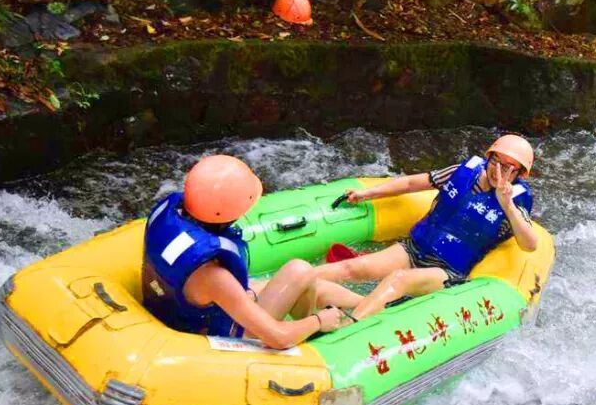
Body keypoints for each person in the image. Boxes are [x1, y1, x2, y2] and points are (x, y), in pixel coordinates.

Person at [142, 155, 360, 349]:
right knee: (300, 271)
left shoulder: (172, 217)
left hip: (178, 314)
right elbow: (279, 338)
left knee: (302, 276)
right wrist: (319, 321)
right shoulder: (212, 275)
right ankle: (319, 337)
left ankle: (355, 303)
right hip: (219, 340)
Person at [314, 134, 539, 319]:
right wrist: (366, 194)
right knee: (353, 268)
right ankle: (302, 280)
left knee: (398, 280)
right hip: (414, 248)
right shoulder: (464, 171)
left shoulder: (516, 200)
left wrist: (506, 204)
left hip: (447, 270)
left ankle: (348, 328)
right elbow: (411, 183)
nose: (498, 171)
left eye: (508, 168)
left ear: (519, 173)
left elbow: (529, 244)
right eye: (496, 162)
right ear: (488, 158)